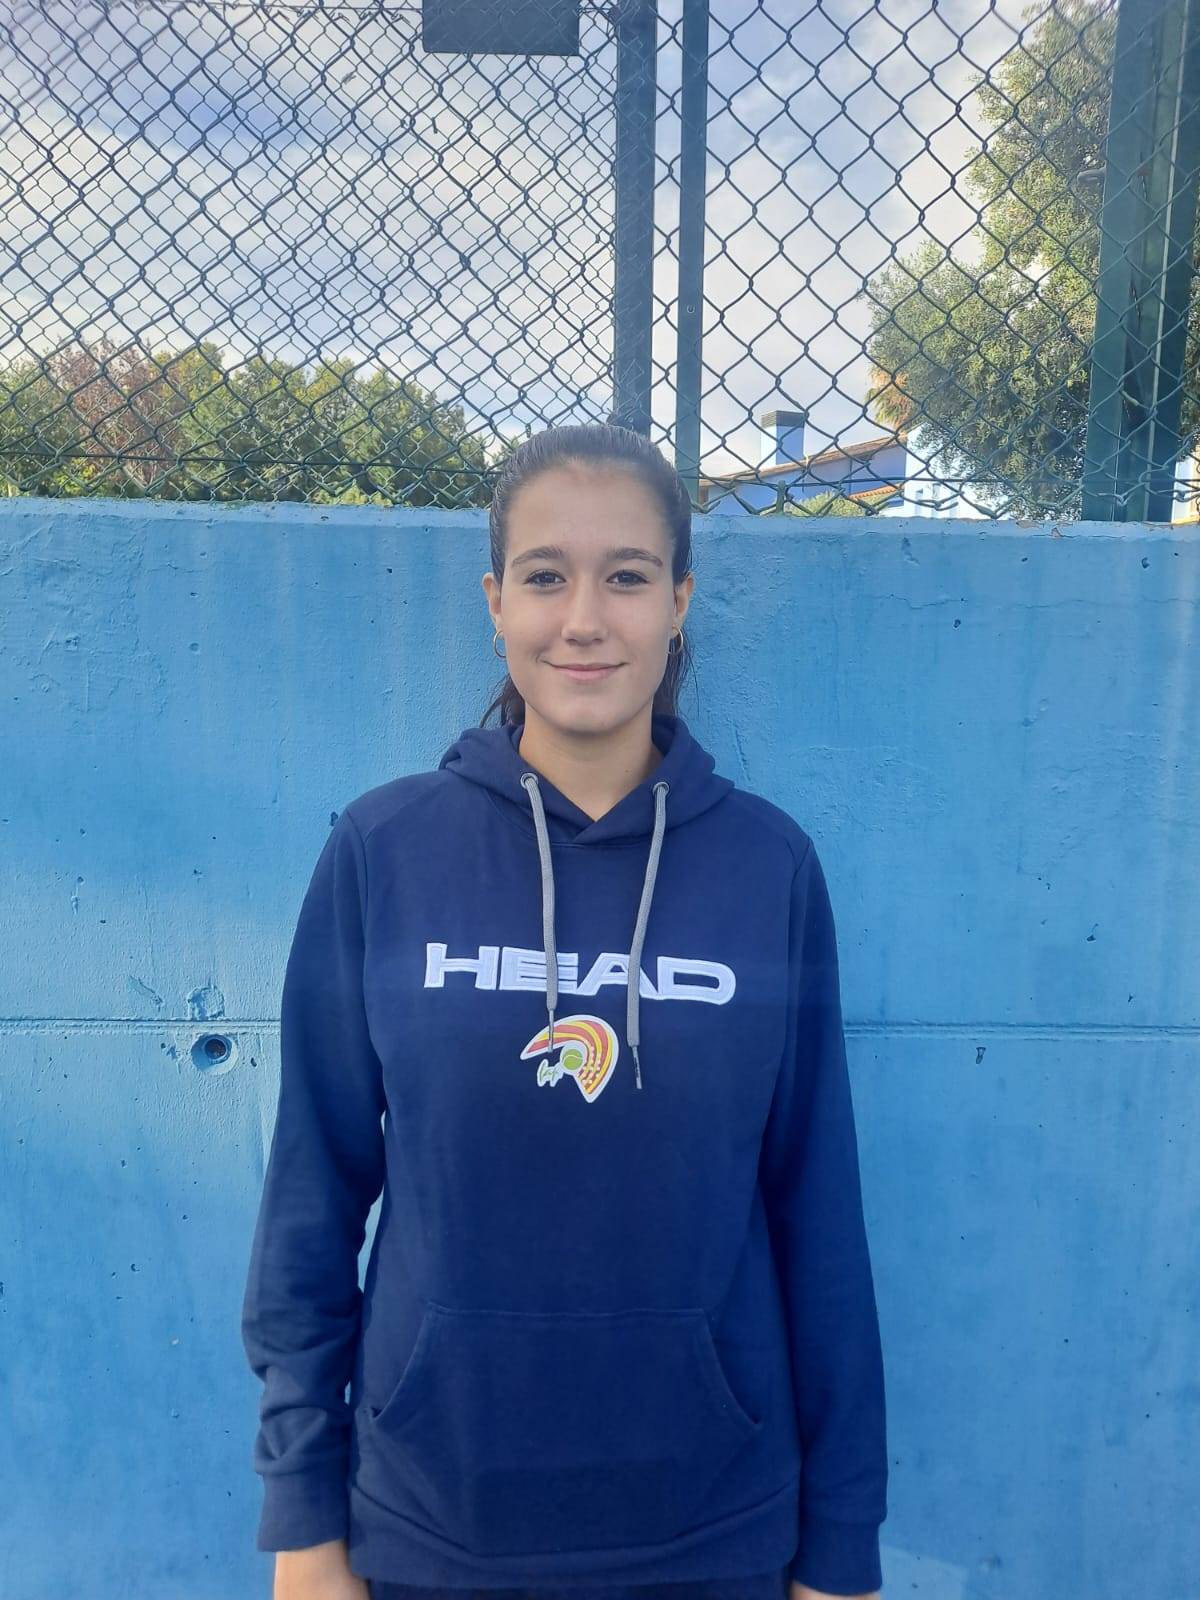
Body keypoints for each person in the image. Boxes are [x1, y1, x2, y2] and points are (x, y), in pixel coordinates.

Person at [241, 422, 888, 1600]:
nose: (584, 618)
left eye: (627, 576)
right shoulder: (384, 851)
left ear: (679, 601)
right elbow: (312, 1195)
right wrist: (302, 1518)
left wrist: (843, 1547)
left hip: (713, 1535)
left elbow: (820, 1215)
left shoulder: (768, 868)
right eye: (546, 576)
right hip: (432, 1526)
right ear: (496, 601)